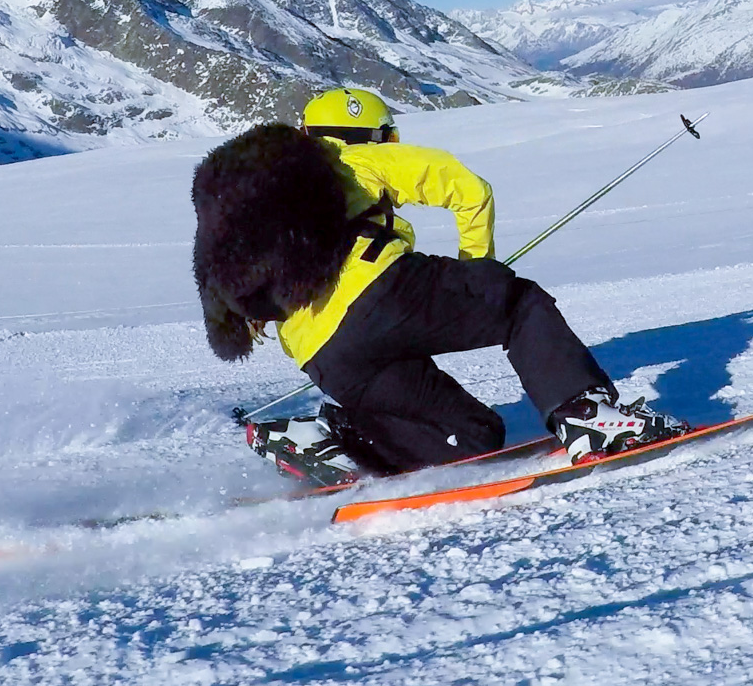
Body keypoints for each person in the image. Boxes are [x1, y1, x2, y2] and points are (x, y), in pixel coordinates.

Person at [191, 87, 687, 486]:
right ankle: (587, 418)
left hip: (322, 353)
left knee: (471, 436)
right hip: (383, 294)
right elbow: (467, 188)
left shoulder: (265, 204)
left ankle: (326, 438)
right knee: (519, 304)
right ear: (374, 135)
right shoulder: (356, 159)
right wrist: (480, 270)